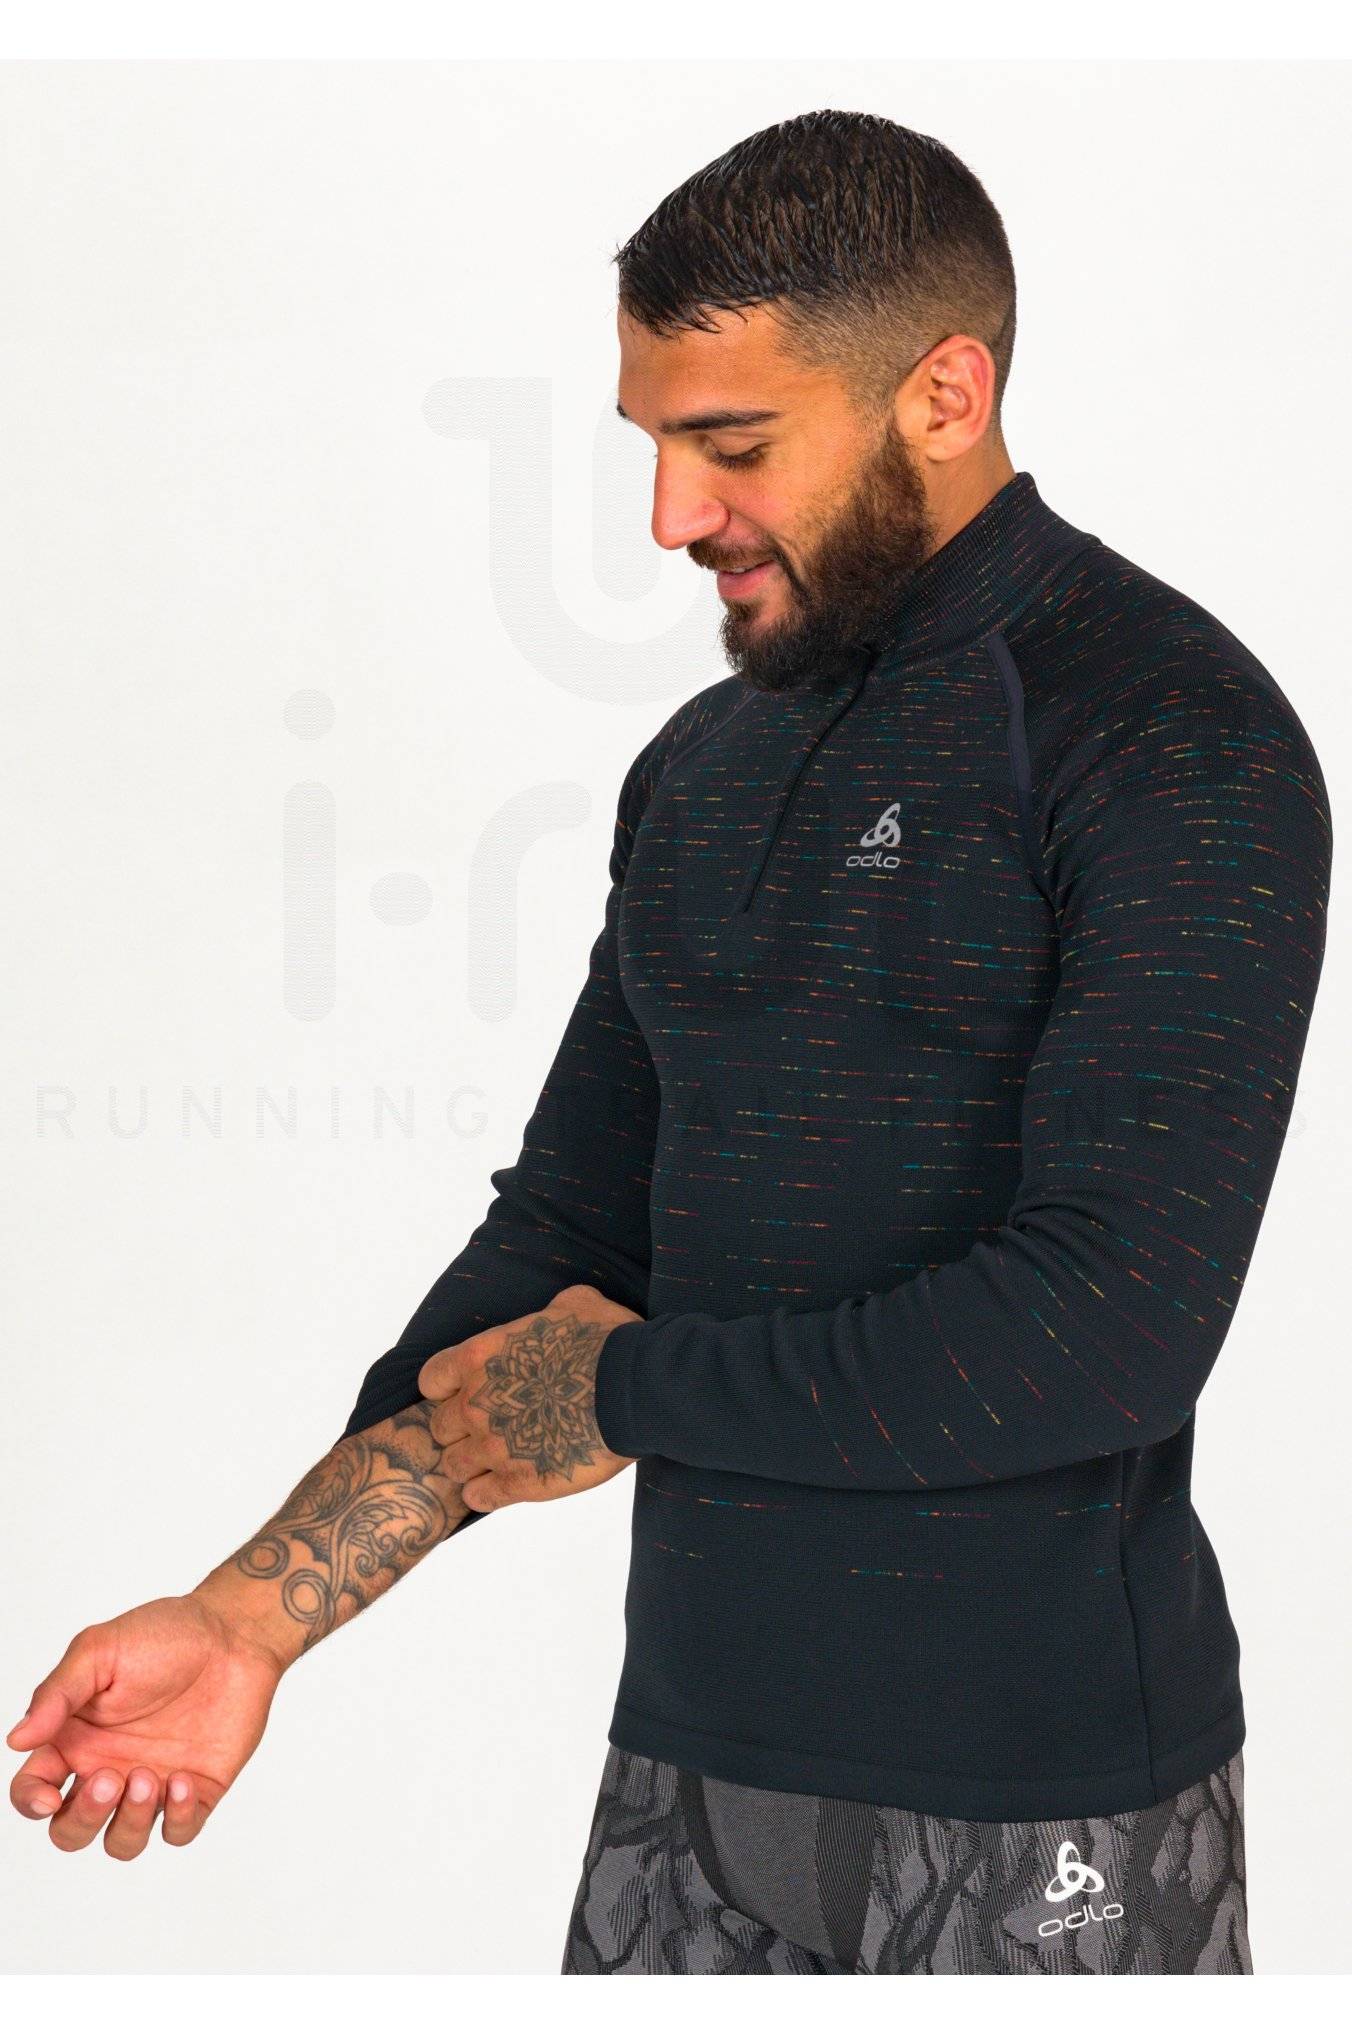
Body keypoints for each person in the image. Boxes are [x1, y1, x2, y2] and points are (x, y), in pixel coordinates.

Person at [7, 110, 1332, 1977]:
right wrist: (250, 1617)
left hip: (1045, 1812)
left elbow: (1107, 1329)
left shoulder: (1172, 735)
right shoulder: (705, 769)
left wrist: (628, 1393)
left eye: (733, 445)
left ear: (944, 394)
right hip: (693, 1790)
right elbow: (569, 1239)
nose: (670, 515)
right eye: (652, 443)